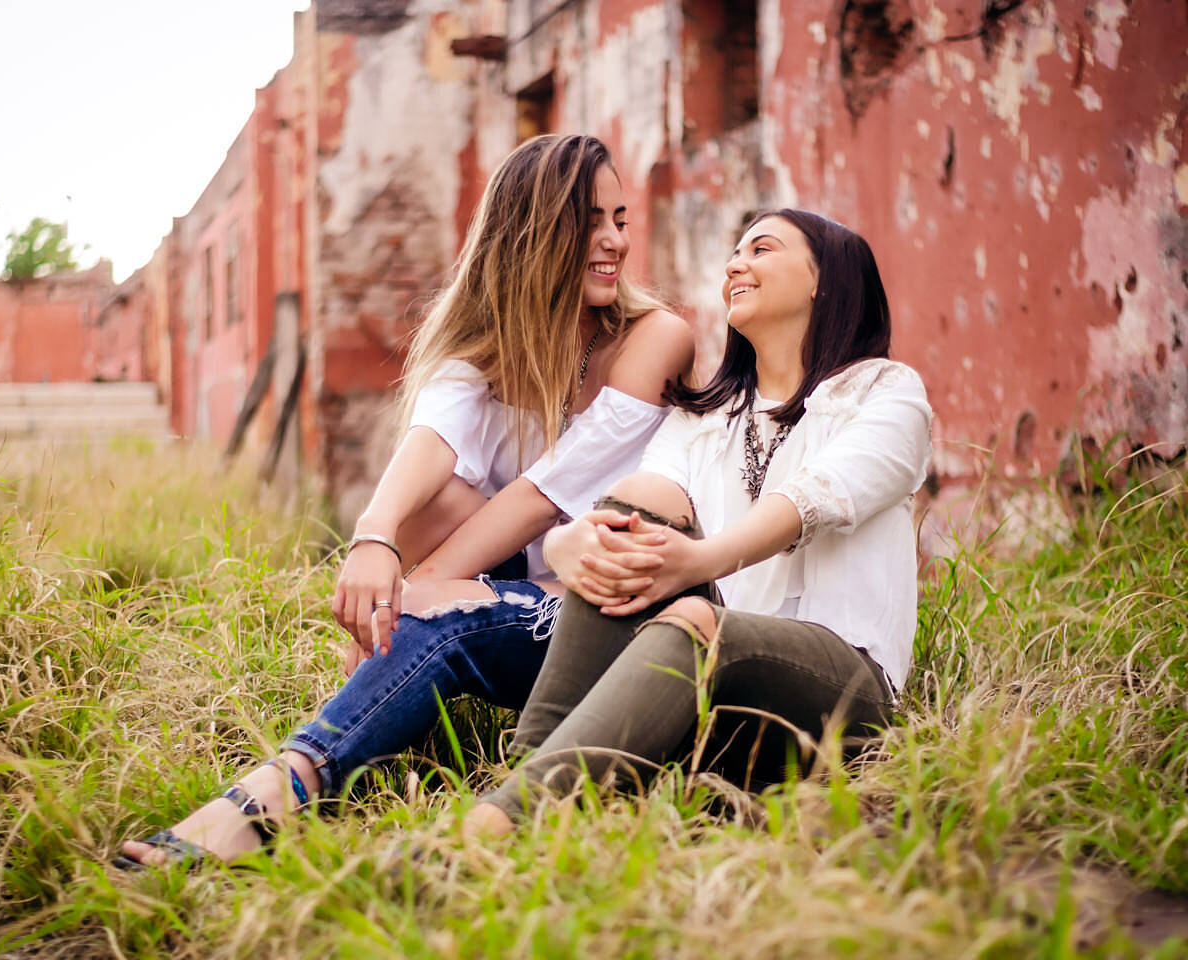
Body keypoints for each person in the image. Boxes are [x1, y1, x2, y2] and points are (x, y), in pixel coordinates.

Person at [116, 134, 695, 868]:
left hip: (615, 616)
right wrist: (374, 536)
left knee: (443, 619)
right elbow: (432, 440)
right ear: (534, 232)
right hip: (527, 589)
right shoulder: (481, 355)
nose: (615, 240)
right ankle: (381, 689)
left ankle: (272, 800)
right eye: (592, 221)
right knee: (427, 504)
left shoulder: (655, 337)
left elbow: (543, 496)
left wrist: (419, 596)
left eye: (620, 218)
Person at [462, 209, 933, 836]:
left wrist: (700, 565)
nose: (736, 265)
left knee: (693, 618)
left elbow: (821, 495)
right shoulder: (706, 417)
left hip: (845, 695)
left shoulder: (884, 391)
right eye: (734, 254)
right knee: (622, 537)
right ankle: (521, 789)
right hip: (716, 701)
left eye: (760, 249)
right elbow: (639, 498)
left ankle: (502, 825)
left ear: (826, 278)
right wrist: (571, 539)